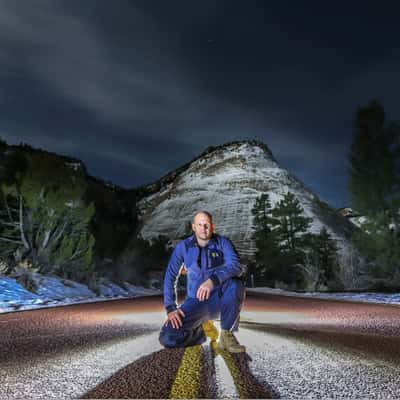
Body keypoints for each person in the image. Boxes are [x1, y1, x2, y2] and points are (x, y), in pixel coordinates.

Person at [159, 211, 246, 353]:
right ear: (193, 227)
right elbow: (170, 275)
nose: (203, 228)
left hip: (219, 299)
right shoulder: (184, 247)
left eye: (206, 224)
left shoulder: (223, 243)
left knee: (236, 284)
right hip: (196, 302)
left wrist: (213, 280)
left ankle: (226, 334)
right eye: (199, 224)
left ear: (212, 226)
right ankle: (199, 333)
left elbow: (235, 266)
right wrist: (170, 307)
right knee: (167, 337)